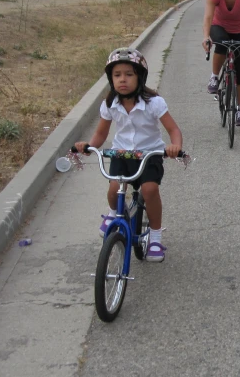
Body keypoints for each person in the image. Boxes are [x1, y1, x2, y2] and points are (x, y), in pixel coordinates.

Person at [75, 47, 183, 263]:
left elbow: (173, 129)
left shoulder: (154, 103)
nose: (122, 79)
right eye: (117, 75)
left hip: (149, 154)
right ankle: (115, 212)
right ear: (111, 78)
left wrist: (175, 146)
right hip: (121, 154)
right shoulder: (110, 104)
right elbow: (101, 133)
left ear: (140, 77)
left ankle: (155, 237)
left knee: (149, 189)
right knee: (114, 190)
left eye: (129, 74)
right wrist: (89, 146)